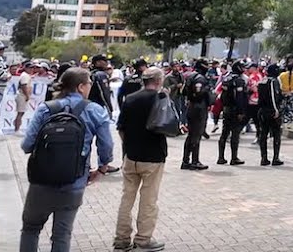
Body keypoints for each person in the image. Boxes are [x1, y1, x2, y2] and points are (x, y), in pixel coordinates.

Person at [19, 67, 114, 252]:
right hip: (74, 180)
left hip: (41, 181)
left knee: (31, 229)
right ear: (80, 87)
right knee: (62, 234)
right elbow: (106, 146)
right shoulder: (95, 110)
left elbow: (26, 145)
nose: (90, 87)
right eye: (89, 84)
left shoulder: (45, 109)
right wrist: (102, 169)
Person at [112, 67, 168, 252]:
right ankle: (143, 239)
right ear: (159, 81)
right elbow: (169, 126)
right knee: (149, 200)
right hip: (153, 156)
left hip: (131, 156)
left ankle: (121, 239)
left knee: (126, 198)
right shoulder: (160, 99)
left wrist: (128, 146)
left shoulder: (130, 99)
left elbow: (121, 127)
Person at [216, 61, 249, 166]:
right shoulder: (238, 80)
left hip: (226, 109)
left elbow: (222, 95)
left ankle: (221, 157)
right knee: (235, 134)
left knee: (224, 133)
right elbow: (239, 98)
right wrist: (241, 111)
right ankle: (234, 158)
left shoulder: (226, 79)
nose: (244, 69)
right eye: (242, 67)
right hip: (235, 110)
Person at [181, 60, 211, 170]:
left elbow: (183, 91)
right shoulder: (200, 78)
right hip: (199, 108)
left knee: (191, 135)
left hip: (191, 107)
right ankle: (194, 161)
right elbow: (200, 93)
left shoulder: (190, 76)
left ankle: (186, 160)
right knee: (196, 135)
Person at [256, 64, 284, 166]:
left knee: (263, 134)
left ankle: (264, 158)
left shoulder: (262, 80)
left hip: (262, 110)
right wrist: (276, 110)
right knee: (276, 134)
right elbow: (274, 96)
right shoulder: (273, 81)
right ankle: (275, 158)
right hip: (271, 111)